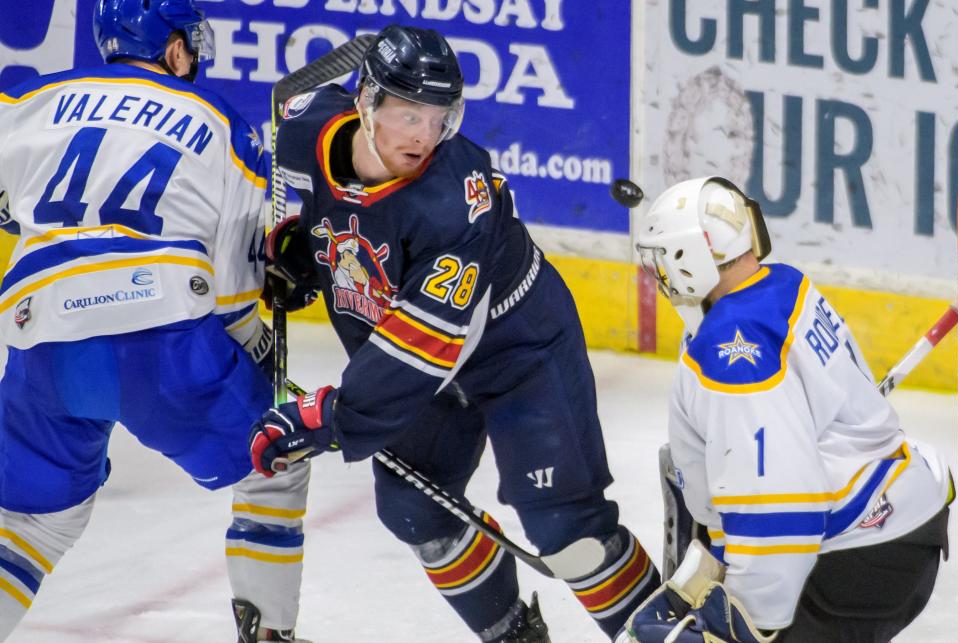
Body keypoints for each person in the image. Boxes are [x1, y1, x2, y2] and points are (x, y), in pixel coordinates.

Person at [253, 24, 661, 642]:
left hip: (519, 350)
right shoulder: (305, 129)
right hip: (418, 363)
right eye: (409, 114)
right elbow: (313, 210)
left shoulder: (453, 194)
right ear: (366, 102)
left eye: (439, 117)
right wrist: (300, 256)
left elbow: (428, 341)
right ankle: (513, 635)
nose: (426, 135)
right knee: (416, 511)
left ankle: (674, 635)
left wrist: (332, 414)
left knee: (567, 532)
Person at [0, 2, 312, 641]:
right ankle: (269, 631)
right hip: (160, 335)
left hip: (42, 334)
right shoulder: (223, 125)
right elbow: (230, 294)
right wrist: (258, 357)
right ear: (175, 50)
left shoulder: (34, 97)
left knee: (31, 524)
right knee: (276, 456)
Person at [618, 177, 954, 642]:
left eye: (662, 260)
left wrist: (750, 620)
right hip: (899, 522)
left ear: (688, 259)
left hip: (858, 554)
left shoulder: (732, 349)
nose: (659, 275)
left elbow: (780, 503)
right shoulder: (778, 285)